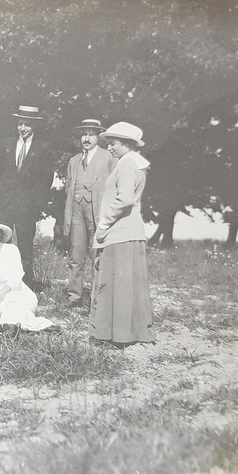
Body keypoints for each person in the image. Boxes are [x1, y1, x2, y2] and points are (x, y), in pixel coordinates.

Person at [90, 122, 154, 345]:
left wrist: (104, 224)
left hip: (120, 232)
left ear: (127, 144)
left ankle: (117, 335)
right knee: (129, 284)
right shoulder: (134, 163)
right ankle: (131, 333)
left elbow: (124, 199)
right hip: (130, 231)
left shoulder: (126, 164)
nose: (109, 148)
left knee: (117, 284)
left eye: (113, 143)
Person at [0, 105, 55, 288]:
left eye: (27, 124)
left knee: (25, 243)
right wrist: (2, 192)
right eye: (20, 124)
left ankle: (25, 285)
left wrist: (35, 200)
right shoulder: (7, 144)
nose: (23, 128)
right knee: (1, 242)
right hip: (5, 202)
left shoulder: (42, 149)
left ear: (35, 125)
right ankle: (0, 284)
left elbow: (46, 180)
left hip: (27, 204)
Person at [63, 119, 117, 308]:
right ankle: (74, 296)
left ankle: (98, 298)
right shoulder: (73, 161)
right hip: (76, 212)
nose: (87, 138)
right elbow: (69, 188)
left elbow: (114, 186)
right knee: (76, 255)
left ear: (98, 137)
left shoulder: (108, 157)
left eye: (91, 134)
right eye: (84, 134)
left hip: (97, 213)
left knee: (98, 255)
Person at [0, 216, 57, 332]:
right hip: (0, 298)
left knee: (7, 310)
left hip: (19, 292)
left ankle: (41, 325)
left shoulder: (10, 249)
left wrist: (4, 290)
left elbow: (17, 274)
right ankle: (18, 327)